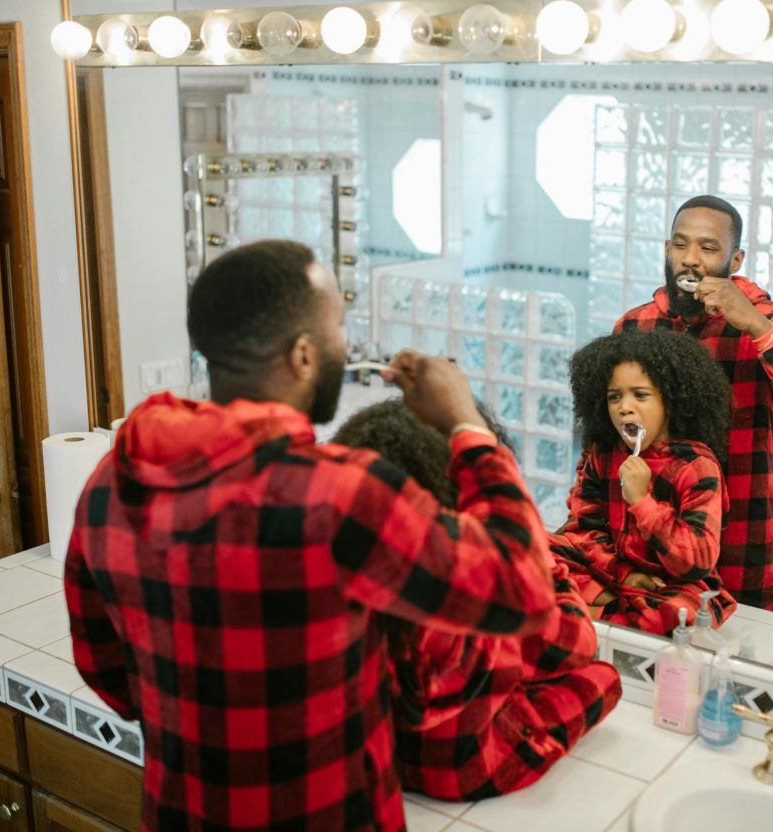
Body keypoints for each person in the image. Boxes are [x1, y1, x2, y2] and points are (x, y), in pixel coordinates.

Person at [64, 240, 559, 832]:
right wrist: (467, 425)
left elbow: (104, 668)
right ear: (302, 355)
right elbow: (522, 591)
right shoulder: (340, 497)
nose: (345, 346)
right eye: (338, 328)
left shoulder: (112, 480)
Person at [332, 399, 622, 801]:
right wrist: (540, 565)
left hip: (381, 755)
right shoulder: (473, 585)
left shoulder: (342, 564)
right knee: (603, 678)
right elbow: (574, 646)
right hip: (464, 769)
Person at [616, 195, 773, 612]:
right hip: (650, 549)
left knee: (737, 673)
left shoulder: (769, 321)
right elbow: (611, 445)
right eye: (679, 244)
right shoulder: (637, 325)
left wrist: (757, 327)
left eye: (708, 248)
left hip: (739, 547)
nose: (690, 259)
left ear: (736, 258)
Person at [549, 330, 738, 635]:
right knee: (534, 554)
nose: (625, 406)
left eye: (640, 394)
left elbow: (697, 561)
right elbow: (583, 529)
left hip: (673, 583)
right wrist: (624, 574)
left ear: (671, 401)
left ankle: (597, 613)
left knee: (677, 614)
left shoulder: (697, 468)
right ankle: (620, 611)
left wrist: (642, 503)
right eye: (615, 396)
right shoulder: (602, 455)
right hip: (611, 571)